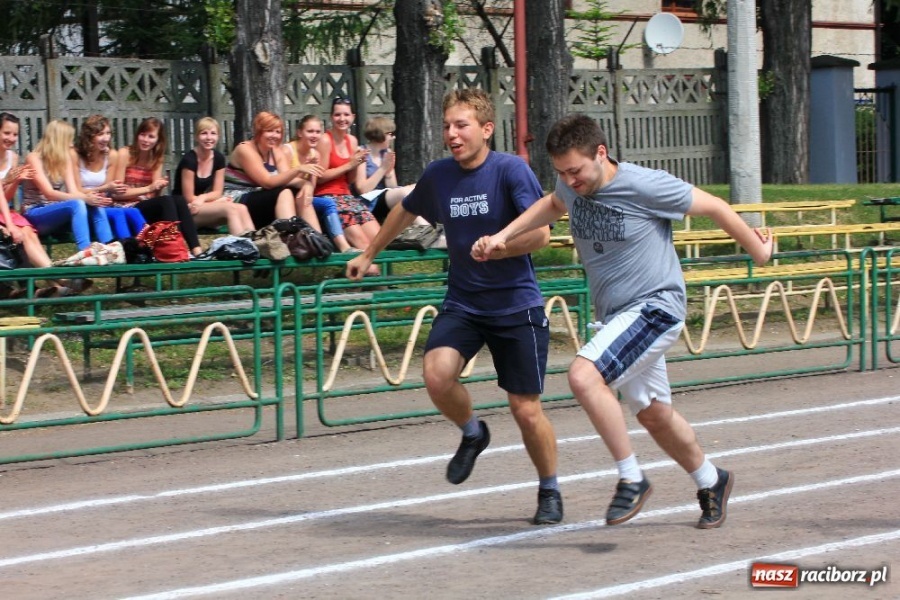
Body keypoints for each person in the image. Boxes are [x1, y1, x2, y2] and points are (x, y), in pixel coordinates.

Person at [472, 114, 775, 530]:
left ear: (601, 153)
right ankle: (712, 480)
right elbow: (554, 204)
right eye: (561, 172)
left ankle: (631, 478)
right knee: (652, 413)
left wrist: (757, 252)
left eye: (576, 170)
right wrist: (504, 235)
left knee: (583, 376)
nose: (570, 180)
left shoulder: (645, 184)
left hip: (655, 306)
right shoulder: (570, 184)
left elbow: (715, 206)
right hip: (616, 318)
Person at [346, 89, 563, 525]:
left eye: (461, 125)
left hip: (515, 304)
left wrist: (501, 248)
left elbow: (543, 235)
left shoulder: (510, 171)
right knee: (436, 375)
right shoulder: (439, 175)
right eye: (447, 126)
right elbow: (404, 213)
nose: (452, 134)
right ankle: (473, 432)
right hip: (464, 301)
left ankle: (549, 488)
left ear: (486, 129)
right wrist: (369, 253)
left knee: (525, 409)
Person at [111, 117, 202, 256]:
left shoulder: (156, 159)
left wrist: (157, 188)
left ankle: (197, 251)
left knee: (178, 199)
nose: (146, 140)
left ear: (158, 140)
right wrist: (148, 188)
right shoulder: (125, 153)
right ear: (137, 135)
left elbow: (153, 197)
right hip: (126, 207)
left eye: (151, 136)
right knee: (166, 201)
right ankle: (175, 246)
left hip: (143, 205)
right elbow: (117, 193)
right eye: (143, 135)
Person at [20, 119, 115, 251]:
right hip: (35, 213)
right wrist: (84, 198)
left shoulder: (65, 160)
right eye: (69, 140)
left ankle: (109, 248)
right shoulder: (34, 158)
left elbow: (73, 191)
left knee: (94, 205)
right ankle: (85, 251)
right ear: (58, 140)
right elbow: (49, 193)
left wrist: (92, 198)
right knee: (78, 203)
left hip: (55, 213)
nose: (72, 145)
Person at [224, 111, 318, 230]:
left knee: (300, 194)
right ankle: (290, 237)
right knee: (284, 192)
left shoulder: (275, 151)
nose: (274, 135)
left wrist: (307, 185)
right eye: (269, 131)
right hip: (237, 199)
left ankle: (317, 240)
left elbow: (287, 178)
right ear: (259, 131)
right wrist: (299, 169)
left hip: (260, 197)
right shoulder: (245, 149)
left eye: (278, 132)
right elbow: (267, 182)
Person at [315, 97, 381, 252]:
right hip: (328, 197)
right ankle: (368, 272)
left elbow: (350, 179)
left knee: (378, 239)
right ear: (331, 117)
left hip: (348, 196)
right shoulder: (325, 140)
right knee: (363, 244)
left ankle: (375, 272)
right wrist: (349, 164)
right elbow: (319, 177)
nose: (342, 119)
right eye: (338, 115)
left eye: (346, 115)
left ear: (353, 117)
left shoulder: (352, 140)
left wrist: (358, 164)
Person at [173, 117, 255, 236]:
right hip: (185, 211)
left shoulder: (218, 158)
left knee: (242, 208)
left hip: (201, 206)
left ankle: (256, 245)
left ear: (218, 137)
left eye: (213, 133)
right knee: (230, 209)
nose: (209, 138)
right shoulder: (189, 160)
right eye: (204, 133)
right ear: (196, 137)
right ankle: (241, 247)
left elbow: (217, 191)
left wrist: (203, 198)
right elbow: (189, 197)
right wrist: (215, 203)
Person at [282, 114, 353, 251]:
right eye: (310, 131)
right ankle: (317, 243)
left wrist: (309, 176)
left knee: (328, 204)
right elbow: (283, 179)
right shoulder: (288, 150)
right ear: (299, 132)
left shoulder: (315, 154)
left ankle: (342, 246)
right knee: (308, 199)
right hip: (287, 196)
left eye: (317, 132)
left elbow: (311, 186)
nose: (314, 135)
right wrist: (303, 174)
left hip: (305, 195)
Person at [71, 115, 147, 239]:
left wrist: (109, 190)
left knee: (134, 212)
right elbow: (76, 190)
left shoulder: (111, 155)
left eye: (108, 133)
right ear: (89, 136)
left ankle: (151, 249)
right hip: (82, 204)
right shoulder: (75, 155)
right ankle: (128, 252)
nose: (106, 138)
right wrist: (105, 188)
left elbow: (108, 192)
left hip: (103, 203)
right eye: (100, 134)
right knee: (118, 214)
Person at [356, 116, 418, 225]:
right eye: (390, 134)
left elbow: (392, 187)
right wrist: (382, 169)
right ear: (380, 134)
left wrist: (389, 173)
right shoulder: (362, 152)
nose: (393, 138)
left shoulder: (387, 152)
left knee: (417, 188)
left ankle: (432, 232)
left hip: (385, 198)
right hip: (369, 202)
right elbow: (362, 189)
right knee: (404, 193)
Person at [0, 112, 34, 202]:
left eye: (15, 134)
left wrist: (17, 180)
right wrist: (4, 181)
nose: (11, 139)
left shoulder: (13, 158)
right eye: (7, 133)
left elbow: (6, 199)